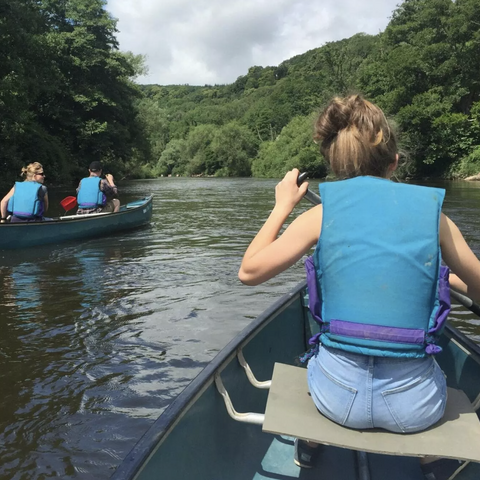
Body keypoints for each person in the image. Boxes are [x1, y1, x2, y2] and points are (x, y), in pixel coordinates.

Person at [238, 95, 480, 479]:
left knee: (316, 354)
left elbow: (248, 272)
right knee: (436, 370)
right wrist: (443, 277)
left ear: (334, 164)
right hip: (414, 410)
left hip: (336, 401)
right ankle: (429, 459)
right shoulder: (435, 217)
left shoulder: (321, 214)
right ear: (395, 161)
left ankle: (312, 445)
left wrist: (283, 205)